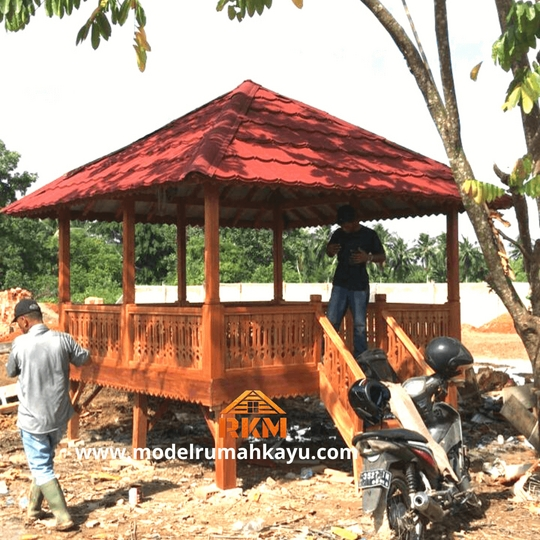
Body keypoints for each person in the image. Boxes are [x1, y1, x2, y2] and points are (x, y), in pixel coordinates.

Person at [6, 298, 90, 531]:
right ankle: (34, 509)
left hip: (33, 420)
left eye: (18, 323)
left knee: (41, 467)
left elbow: (11, 371)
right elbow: (84, 358)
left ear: (23, 321)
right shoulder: (63, 339)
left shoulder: (20, 344)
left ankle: (63, 517)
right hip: (57, 417)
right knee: (43, 462)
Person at [326, 204, 386, 358]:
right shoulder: (338, 233)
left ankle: (361, 359)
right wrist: (330, 250)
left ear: (355, 221)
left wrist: (368, 258)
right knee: (331, 322)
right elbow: (329, 252)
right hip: (340, 284)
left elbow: (382, 256)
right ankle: (327, 354)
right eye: (342, 225)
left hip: (359, 286)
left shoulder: (369, 235)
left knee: (359, 325)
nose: (344, 228)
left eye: (346, 225)